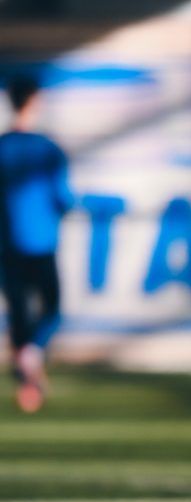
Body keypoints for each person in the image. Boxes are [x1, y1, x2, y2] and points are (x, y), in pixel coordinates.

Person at [0, 75, 73, 413]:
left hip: (7, 243)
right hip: (41, 240)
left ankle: (28, 381)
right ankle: (32, 359)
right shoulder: (48, 149)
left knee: (19, 313)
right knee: (52, 308)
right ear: (34, 101)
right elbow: (63, 198)